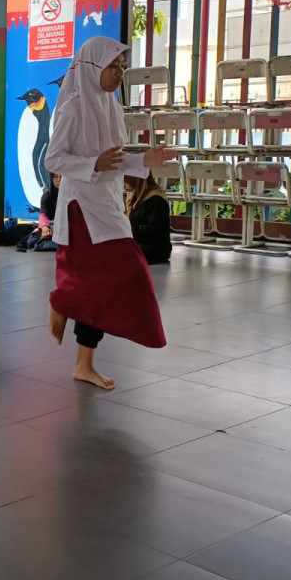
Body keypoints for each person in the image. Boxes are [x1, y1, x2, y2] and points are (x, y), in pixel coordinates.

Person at [45, 37, 171, 390]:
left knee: (105, 285)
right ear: (92, 67)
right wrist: (91, 163)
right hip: (81, 207)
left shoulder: (113, 107)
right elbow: (53, 160)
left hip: (109, 204)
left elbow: (114, 162)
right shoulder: (72, 108)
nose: (120, 73)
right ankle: (62, 299)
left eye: (122, 67)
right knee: (126, 274)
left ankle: (84, 364)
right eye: (114, 66)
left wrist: (145, 160)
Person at [126, 172, 172, 265]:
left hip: (155, 248)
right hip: (141, 242)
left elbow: (156, 231)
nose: (124, 185)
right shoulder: (137, 196)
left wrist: (129, 229)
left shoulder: (156, 199)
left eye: (125, 182)